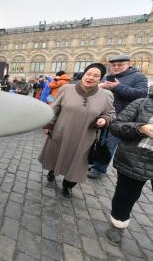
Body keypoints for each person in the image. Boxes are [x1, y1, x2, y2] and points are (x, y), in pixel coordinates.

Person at [39, 63, 116, 198]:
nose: (91, 77)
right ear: (84, 75)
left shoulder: (106, 95)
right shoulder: (66, 89)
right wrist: (48, 125)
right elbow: (53, 108)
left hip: (86, 136)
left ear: (100, 79)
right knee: (57, 154)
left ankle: (68, 185)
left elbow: (111, 113)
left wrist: (104, 119)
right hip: (62, 131)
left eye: (96, 75)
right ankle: (52, 170)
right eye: (88, 74)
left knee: (78, 162)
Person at [105, 86, 153, 246]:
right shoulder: (142, 103)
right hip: (135, 160)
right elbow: (116, 126)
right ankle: (118, 223)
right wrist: (140, 128)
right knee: (126, 196)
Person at [88, 55, 148, 179]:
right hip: (103, 114)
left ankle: (99, 169)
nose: (116, 67)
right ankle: (95, 162)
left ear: (128, 64)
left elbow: (141, 95)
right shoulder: (107, 77)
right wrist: (99, 88)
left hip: (121, 118)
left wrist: (117, 87)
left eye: (120, 65)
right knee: (99, 141)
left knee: (109, 144)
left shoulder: (139, 77)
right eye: (113, 65)